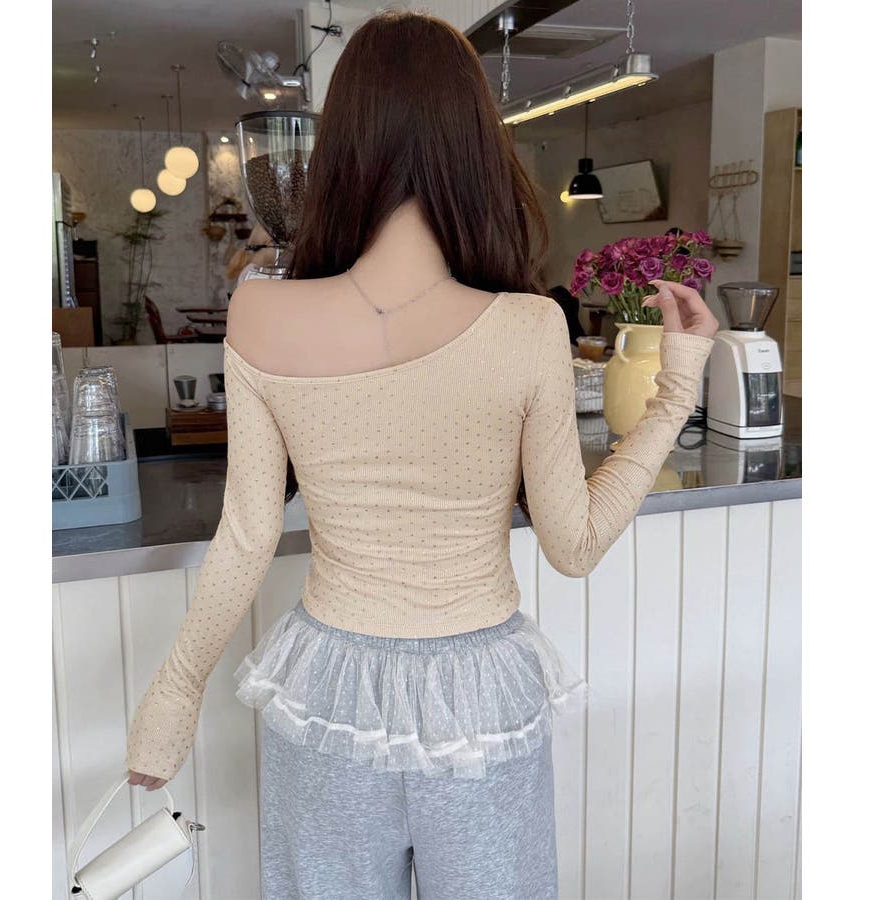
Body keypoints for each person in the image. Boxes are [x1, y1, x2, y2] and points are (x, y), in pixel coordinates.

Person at [124, 10, 718, 899]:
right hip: (479, 702)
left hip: (326, 697)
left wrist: (170, 701)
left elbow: (247, 534)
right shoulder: (529, 326)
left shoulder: (260, 311)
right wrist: (677, 387)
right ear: (475, 143)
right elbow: (575, 545)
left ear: (341, 145)